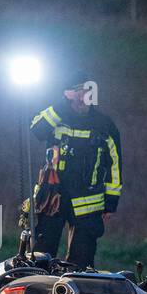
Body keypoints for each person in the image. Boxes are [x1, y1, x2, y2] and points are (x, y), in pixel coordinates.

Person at [28, 70, 122, 268]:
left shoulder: (104, 125)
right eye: (77, 92)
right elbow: (37, 129)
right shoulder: (56, 117)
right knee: (40, 256)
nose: (82, 97)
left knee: (82, 264)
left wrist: (111, 201)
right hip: (53, 197)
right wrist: (63, 104)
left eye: (86, 91)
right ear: (68, 94)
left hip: (88, 202)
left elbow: (114, 163)